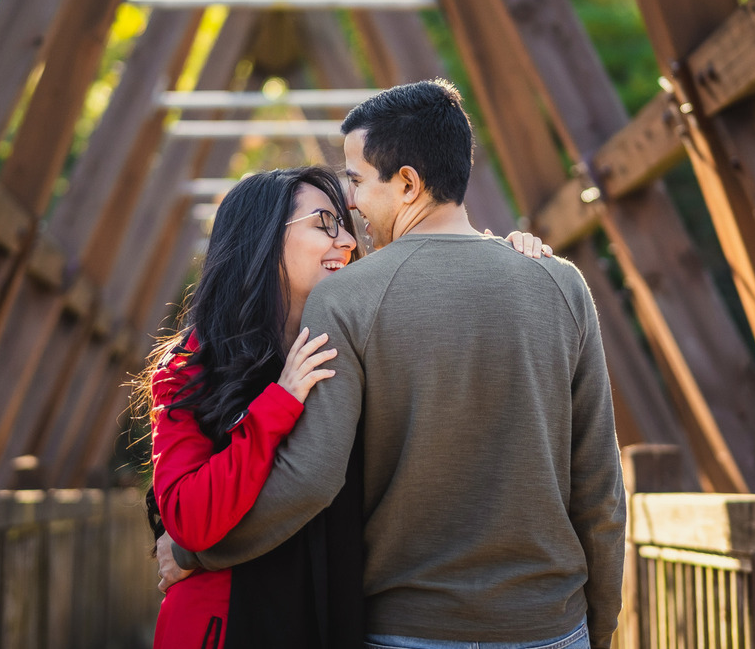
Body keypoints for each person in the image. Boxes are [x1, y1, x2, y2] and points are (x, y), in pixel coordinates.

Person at [168, 80, 626, 649]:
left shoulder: (347, 298)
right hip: (551, 627)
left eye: (357, 180)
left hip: (410, 630)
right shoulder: (562, 284)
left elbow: (311, 479)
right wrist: (599, 627)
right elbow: (600, 488)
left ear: (407, 182)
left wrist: (194, 550)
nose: (351, 203)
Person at [140, 163, 550, 648]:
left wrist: (512, 257)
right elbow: (188, 517)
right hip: (227, 624)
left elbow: (447, 302)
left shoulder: (358, 340)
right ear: (265, 238)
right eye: (323, 224)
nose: (348, 242)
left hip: (332, 618)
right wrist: (280, 401)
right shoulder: (193, 364)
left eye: (346, 225)